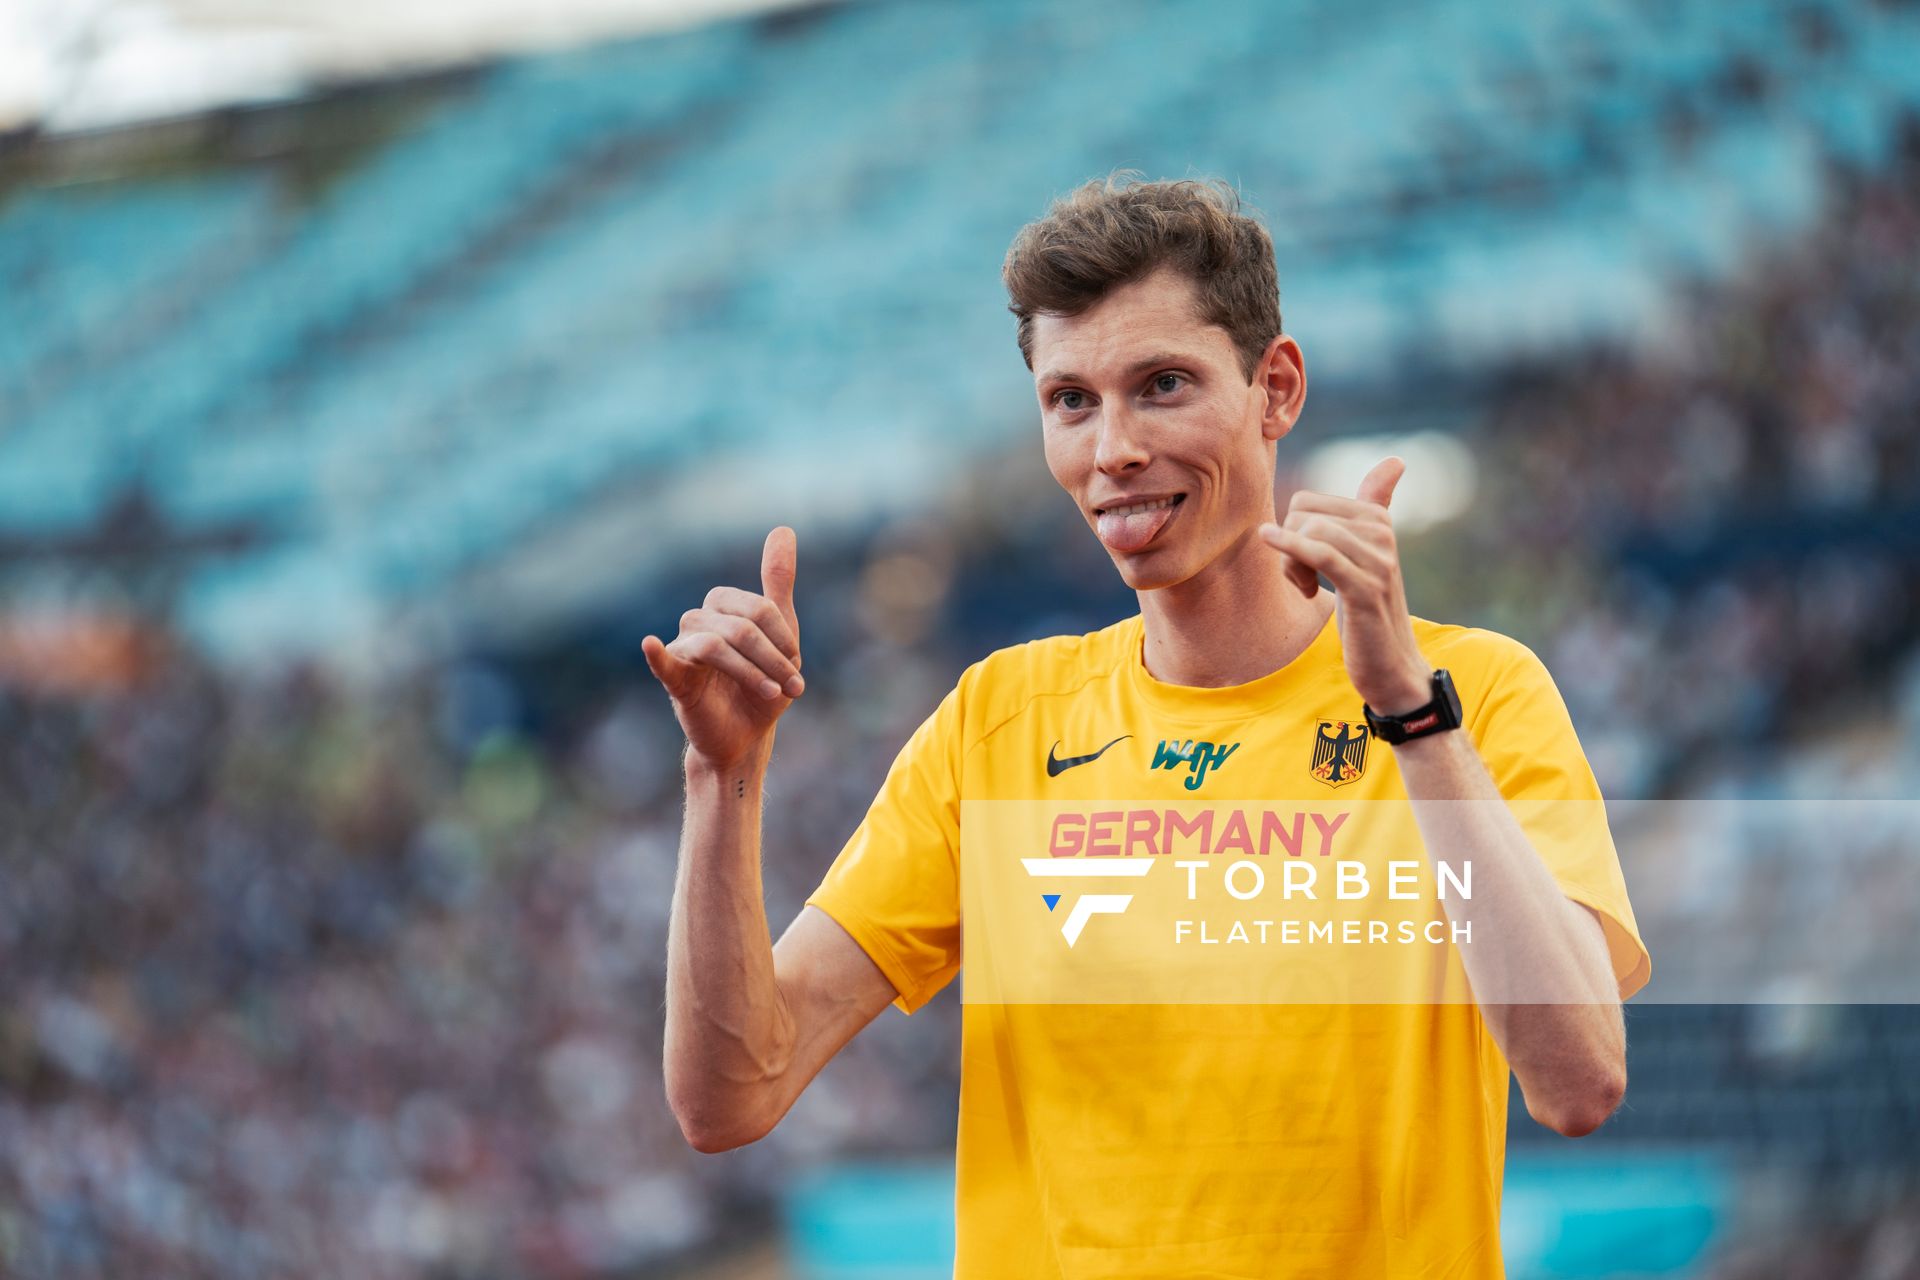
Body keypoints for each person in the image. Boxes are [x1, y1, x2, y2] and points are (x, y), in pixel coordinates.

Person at [644, 174, 1650, 1279]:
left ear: (1277, 388)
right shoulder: (997, 724)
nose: (1111, 447)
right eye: (1070, 400)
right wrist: (721, 779)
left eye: (1161, 385)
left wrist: (1410, 714)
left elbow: (1579, 1079)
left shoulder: (1477, 694)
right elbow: (732, 1094)